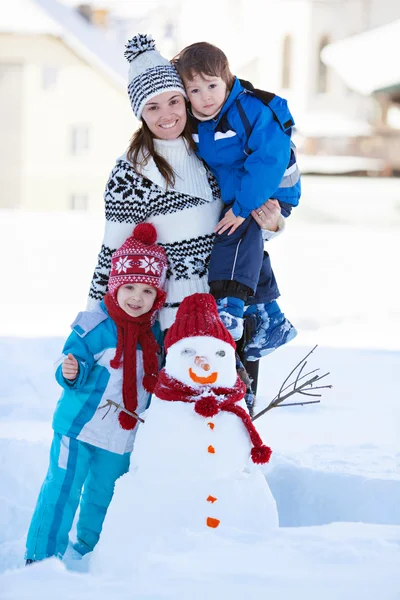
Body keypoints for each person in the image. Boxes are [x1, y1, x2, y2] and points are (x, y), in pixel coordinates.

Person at [86, 34, 281, 397]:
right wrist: (92, 320)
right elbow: (113, 254)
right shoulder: (132, 171)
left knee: (234, 423)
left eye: (174, 101)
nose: (167, 114)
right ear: (140, 113)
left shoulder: (211, 152)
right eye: (153, 106)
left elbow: (239, 230)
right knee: (179, 425)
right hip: (172, 320)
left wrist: (272, 226)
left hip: (230, 309)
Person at [25, 223, 168, 563]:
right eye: (130, 287)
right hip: (79, 428)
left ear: (159, 296)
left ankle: (89, 551)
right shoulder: (95, 325)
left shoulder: (156, 337)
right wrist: (70, 370)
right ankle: (42, 556)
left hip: (122, 435)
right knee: (63, 488)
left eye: (148, 291)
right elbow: (70, 358)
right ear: (115, 286)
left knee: (105, 494)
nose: (137, 297)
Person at [172, 41, 301, 360]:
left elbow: (267, 161)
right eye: (195, 90)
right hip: (241, 192)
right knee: (239, 235)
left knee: (236, 228)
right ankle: (270, 316)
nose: (205, 97)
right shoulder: (195, 122)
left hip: (271, 189)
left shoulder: (250, 109)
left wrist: (242, 207)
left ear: (228, 79)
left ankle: (229, 308)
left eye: (212, 86)